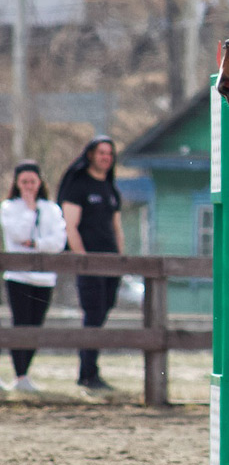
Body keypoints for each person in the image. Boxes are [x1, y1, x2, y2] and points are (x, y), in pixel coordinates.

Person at [58, 136, 124, 391]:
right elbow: (70, 226)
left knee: (101, 315)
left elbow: (117, 229)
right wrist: (83, 260)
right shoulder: (78, 186)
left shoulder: (110, 188)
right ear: (90, 155)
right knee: (93, 315)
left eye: (109, 153)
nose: (106, 157)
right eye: (101, 153)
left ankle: (90, 372)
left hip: (111, 264)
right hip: (89, 264)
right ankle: (87, 374)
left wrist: (121, 260)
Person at [1, 161, 67, 393]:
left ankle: (24, 375)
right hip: (18, 276)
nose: (29, 186)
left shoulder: (52, 209)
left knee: (35, 326)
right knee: (20, 324)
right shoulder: (9, 207)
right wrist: (29, 210)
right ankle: (19, 374)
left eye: (32, 181)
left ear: (40, 182)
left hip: (44, 278)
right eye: (24, 182)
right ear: (17, 184)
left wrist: (35, 243)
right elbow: (16, 234)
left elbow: (58, 242)